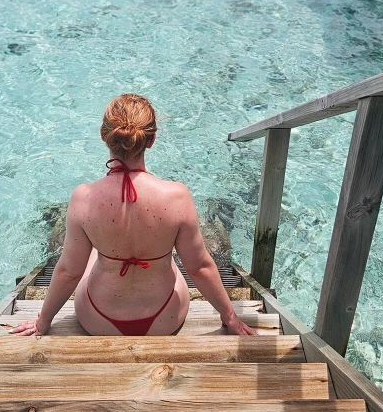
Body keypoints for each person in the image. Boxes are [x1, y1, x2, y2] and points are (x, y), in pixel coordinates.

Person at [13, 93, 258, 337]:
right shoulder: (177, 196)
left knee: (89, 257)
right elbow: (200, 269)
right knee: (168, 257)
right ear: (150, 140)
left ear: (104, 136)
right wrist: (231, 317)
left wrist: (43, 321)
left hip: (98, 320)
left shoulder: (83, 198)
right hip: (164, 319)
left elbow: (69, 272)